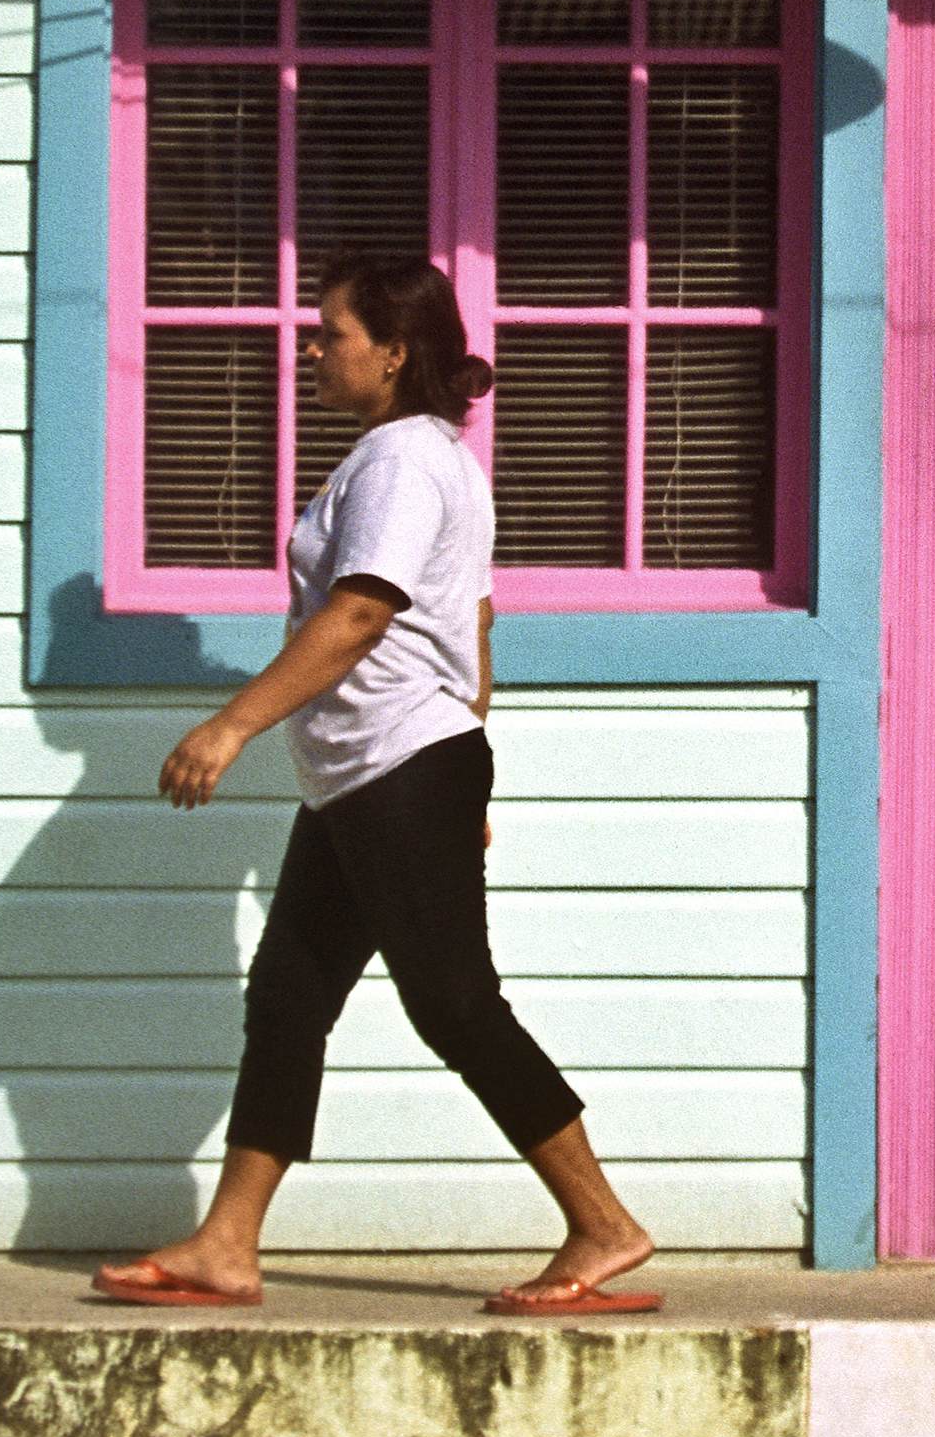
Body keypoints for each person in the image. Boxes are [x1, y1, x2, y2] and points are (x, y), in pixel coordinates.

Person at [93, 254, 661, 1318]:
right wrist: (465, 764)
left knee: (452, 1003)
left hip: (397, 765)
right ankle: (227, 1243)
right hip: (376, 773)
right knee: (291, 996)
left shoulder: (400, 461)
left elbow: (362, 611)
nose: (310, 348)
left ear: (394, 353)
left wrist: (232, 724)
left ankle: (603, 1225)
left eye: (332, 334)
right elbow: (474, 628)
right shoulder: (420, 456)